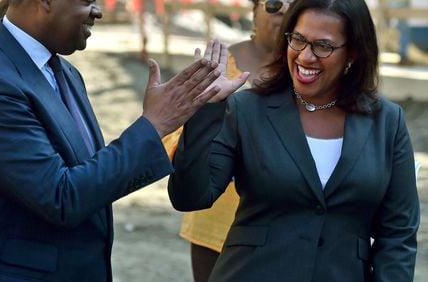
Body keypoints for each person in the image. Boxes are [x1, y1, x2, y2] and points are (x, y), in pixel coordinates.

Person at [0, 0, 248, 281]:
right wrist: (154, 125)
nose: (97, 11)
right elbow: (61, 196)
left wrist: (186, 110)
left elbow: (91, 174)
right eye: (88, 1)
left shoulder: (65, 72)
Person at [168, 0, 420, 281]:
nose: (305, 57)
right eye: (297, 40)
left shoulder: (387, 121)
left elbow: (398, 233)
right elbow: (190, 196)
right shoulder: (246, 108)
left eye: (323, 46)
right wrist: (205, 113)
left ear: (353, 53)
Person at [162, 0, 294, 281]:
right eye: (274, 3)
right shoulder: (219, 65)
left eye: (295, 3)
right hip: (216, 222)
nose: (284, 10)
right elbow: (175, 136)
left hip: (280, 225)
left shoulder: (307, 72)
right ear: (254, 11)